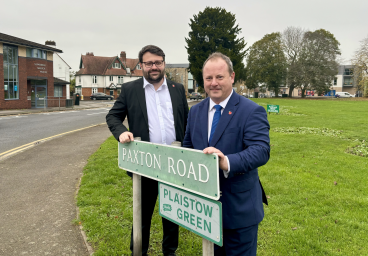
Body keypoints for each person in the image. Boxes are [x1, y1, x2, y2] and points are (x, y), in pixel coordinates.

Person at [183, 52, 270, 256]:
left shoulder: (251, 110)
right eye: (208, 78)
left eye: (219, 77)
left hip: (239, 211)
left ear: (232, 77)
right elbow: (188, 148)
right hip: (205, 210)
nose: (214, 83)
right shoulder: (195, 111)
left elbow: (261, 150)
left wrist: (227, 162)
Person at [106, 45, 189, 256]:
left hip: (174, 163)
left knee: (172, 215)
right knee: (142, 215)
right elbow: (113, 116)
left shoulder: (177, 89)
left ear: (164, 63)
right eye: (149, 63)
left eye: (158, 62)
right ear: (141, 65)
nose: (154, 67)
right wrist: (121, 132)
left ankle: (169, 252)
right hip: (145, 164)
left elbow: (186, 122)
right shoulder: (130, 90)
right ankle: (139, 251)